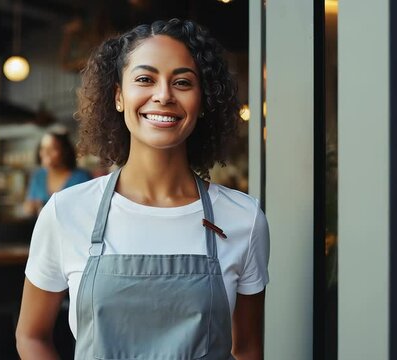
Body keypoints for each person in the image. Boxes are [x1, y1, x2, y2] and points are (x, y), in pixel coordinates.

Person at [16, 18, 270, 359]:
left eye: (182, 82)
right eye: (145, 79)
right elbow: (31, 336)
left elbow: (248, 349)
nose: (163, 95)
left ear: (203, 100)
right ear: (119, 96)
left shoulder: (243, 219)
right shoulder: (67, 212)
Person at [23, 131, 92, 217]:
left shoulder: (81, 177)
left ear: (65, 152)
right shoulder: (38, 176)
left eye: (53, 149)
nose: (46, 153)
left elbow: (88, 210)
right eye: (43, 148)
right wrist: (31, 207)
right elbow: (28, 207)